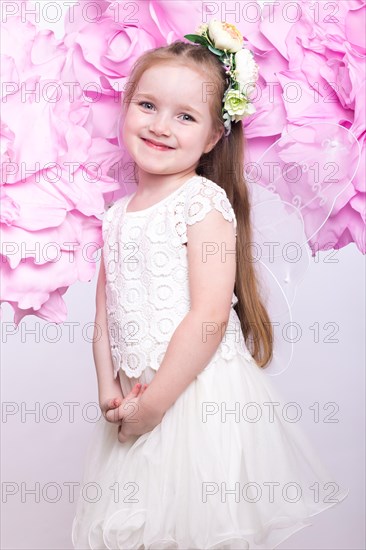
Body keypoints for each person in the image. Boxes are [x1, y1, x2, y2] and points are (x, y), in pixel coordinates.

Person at [71, 22, 349, 550]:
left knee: (195, 529)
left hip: (194, 398)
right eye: (147, 105)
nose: (161, 126)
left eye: (186, 116)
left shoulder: (202, 203)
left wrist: (157, 404)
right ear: (125, 106)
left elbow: (209, 315)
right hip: (136, 396)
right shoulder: (114, 216)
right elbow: (104, 316)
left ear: (214, 135)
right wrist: (109, 386)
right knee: (142, 531)